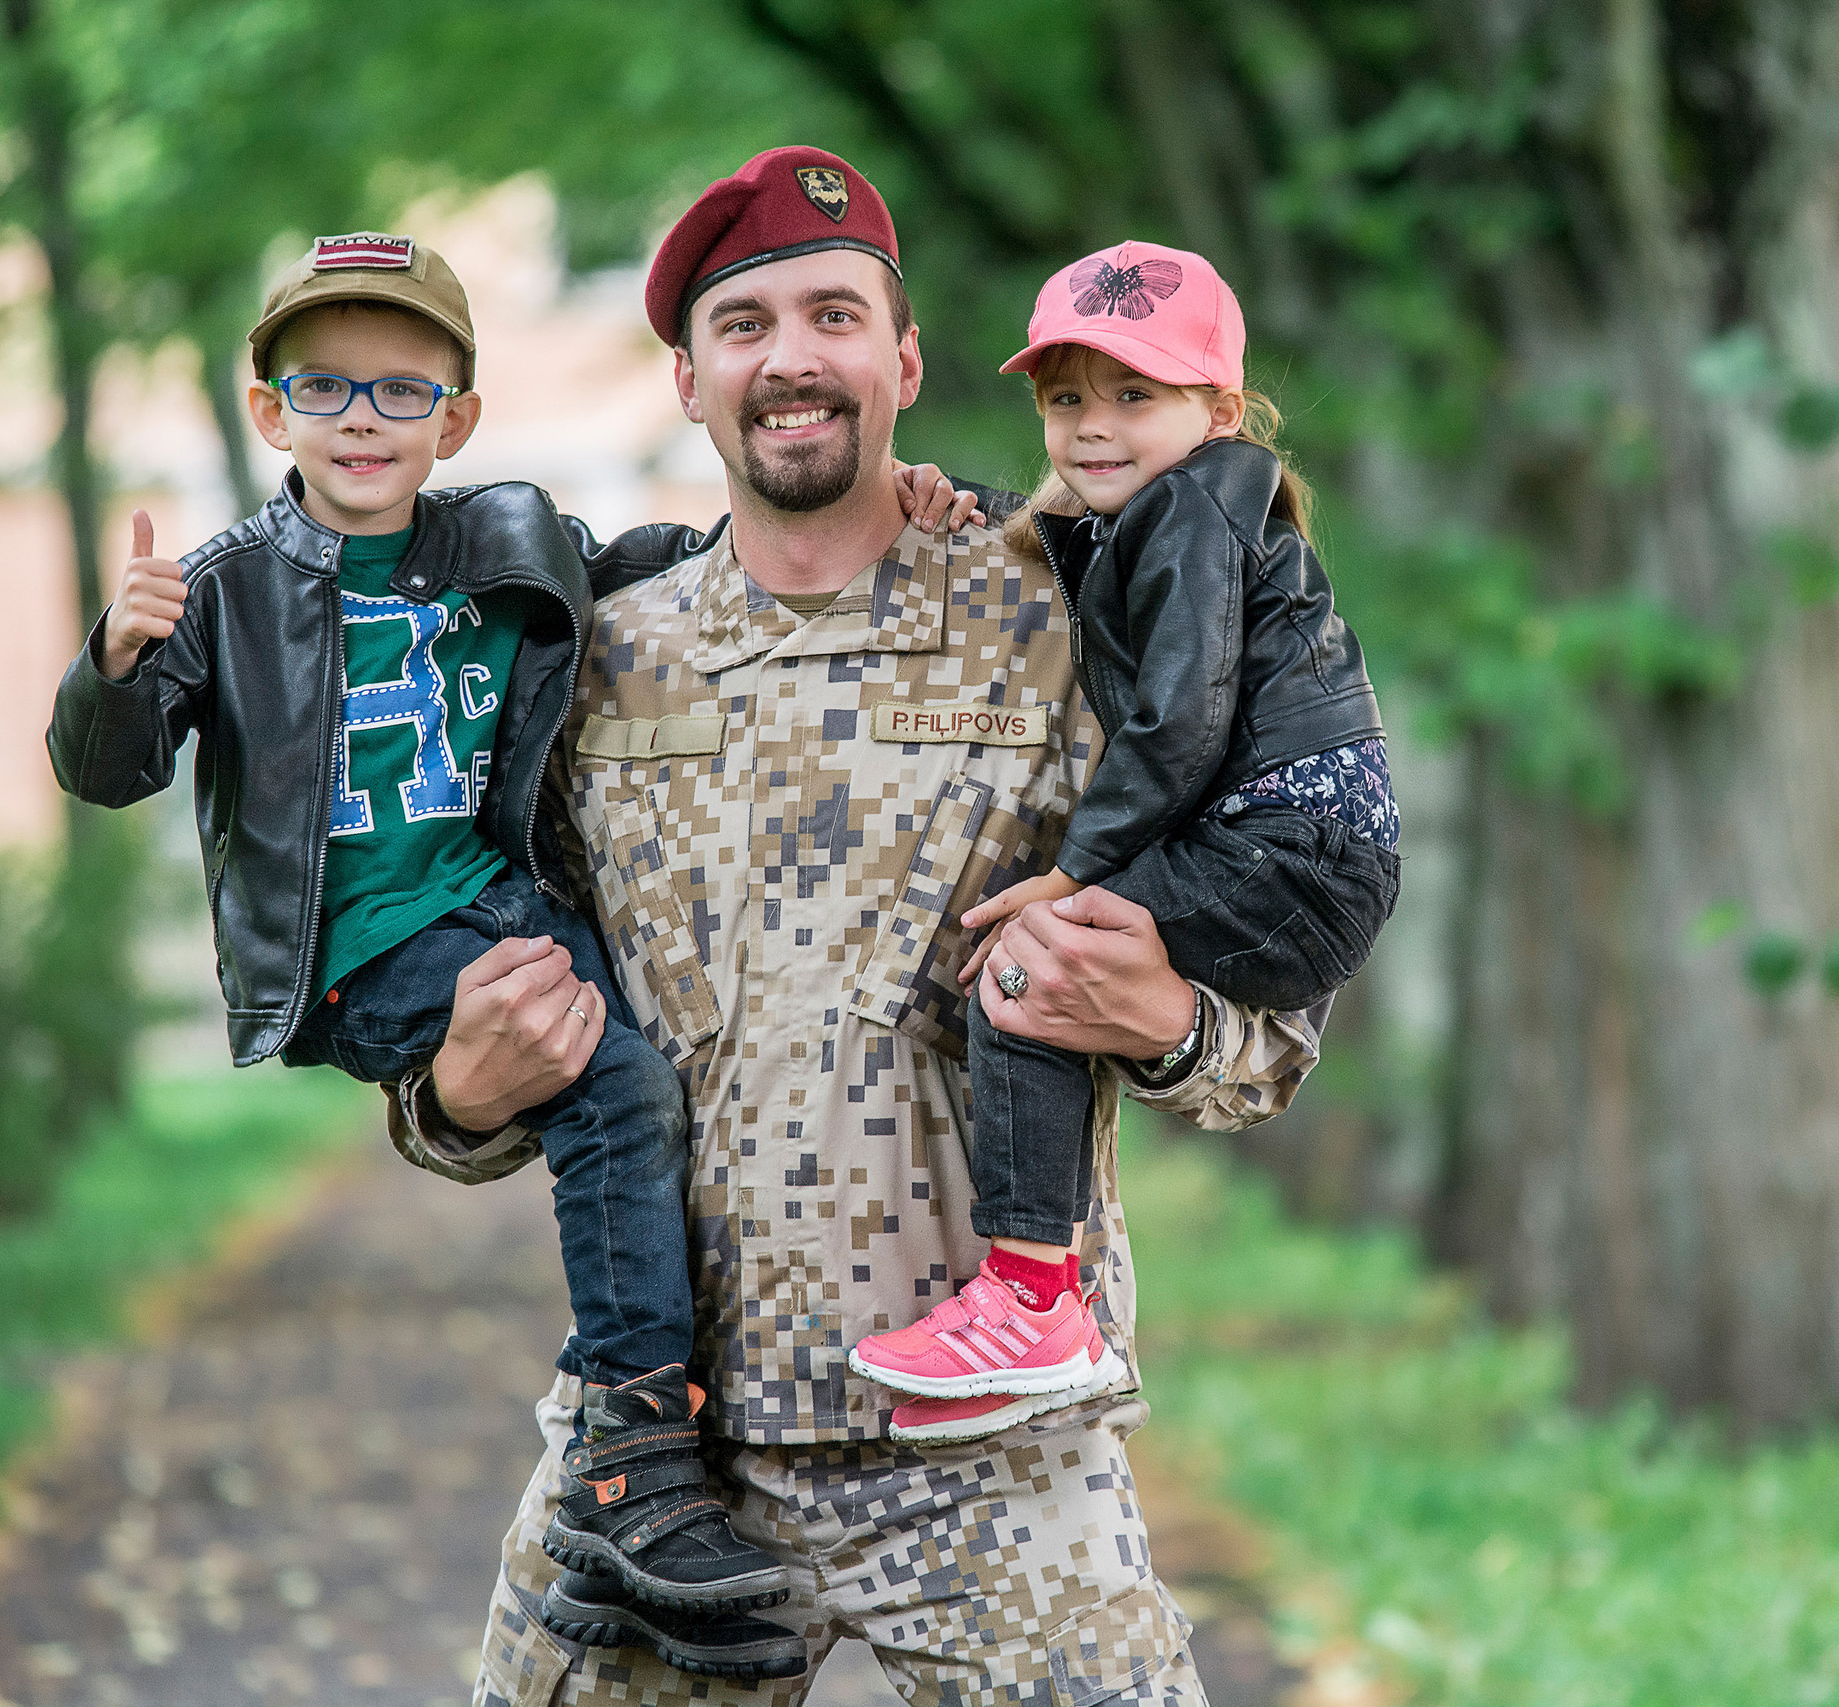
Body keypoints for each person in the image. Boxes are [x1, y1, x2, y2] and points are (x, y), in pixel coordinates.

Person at [381, 146, 1325, 1703]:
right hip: (664, 1457)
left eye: (834, 313)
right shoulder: (589, 664)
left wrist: (1161, 1018)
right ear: (686, 378)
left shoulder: (1078, 620)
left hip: (995, 1454)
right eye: (744, 325)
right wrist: (457, 1097)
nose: (792, 357)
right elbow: (471, 1035)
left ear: (903, 357)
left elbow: (1268, 1032)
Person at [45, 232, 976, 1682]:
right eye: (325, 385)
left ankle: (645, 1495)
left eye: (402, 389)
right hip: (364, 947)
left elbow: (649, 572)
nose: (363, 416)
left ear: (455, 419)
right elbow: (108, 770)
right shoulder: (223, 588)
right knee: (617, 1092)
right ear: (267, 409)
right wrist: (111, 659)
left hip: (492, 895)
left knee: (665, 1046)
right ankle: (634, 1464)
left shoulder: (506, 536)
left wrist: (879, 512)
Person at [847, 243, 1398, 1419]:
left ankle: (1032, 1302)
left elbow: (1180, 722)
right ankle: (1034, 1299)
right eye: (1064, 399)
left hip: (1291, 849)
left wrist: (1072, 874)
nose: (1092, 427)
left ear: (1220, 408)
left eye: (1132, 395)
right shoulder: (1173, 507)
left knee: (1028, 959)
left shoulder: (1199, 507)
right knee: (1033, 974)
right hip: (1293, 850)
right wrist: (976, 510)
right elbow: (1077, 546)